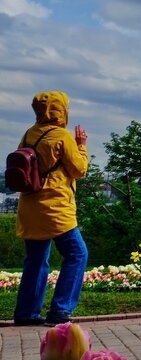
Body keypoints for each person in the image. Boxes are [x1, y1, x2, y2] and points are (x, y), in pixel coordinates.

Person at [13, 91, 90, 325]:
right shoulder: (61, 136)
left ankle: (26, 314)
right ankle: (60, 310)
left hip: (29, 207)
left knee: (36, 260)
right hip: (55, 208)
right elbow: (79, 169)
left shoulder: (28, 134)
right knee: (77, 254)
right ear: (61, 110)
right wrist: (82, 146)